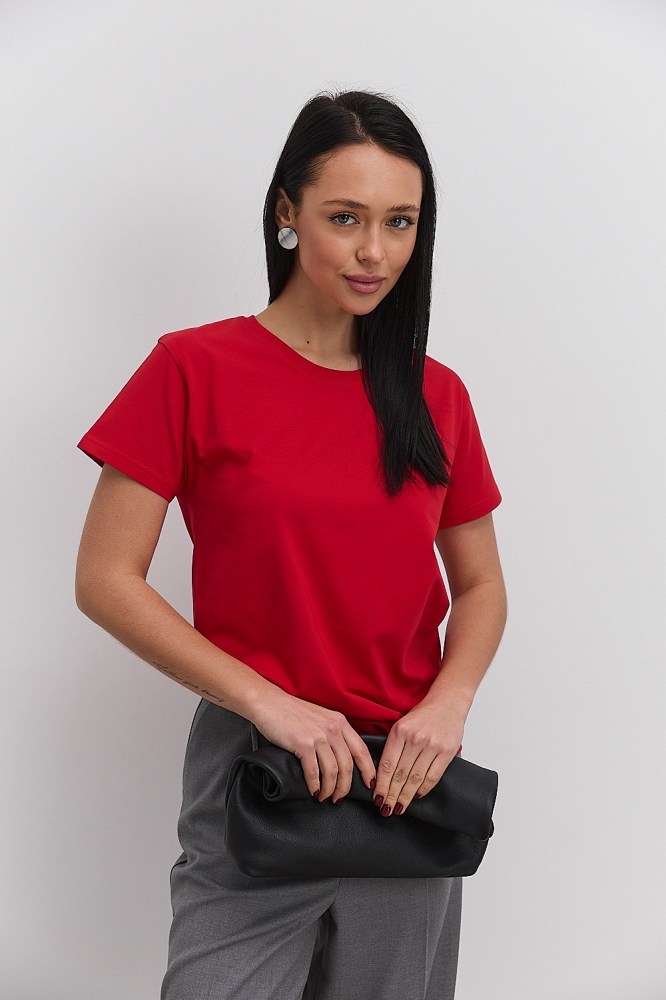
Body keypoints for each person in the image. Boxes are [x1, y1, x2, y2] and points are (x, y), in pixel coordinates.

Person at [75, 89, 507, 1000]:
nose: (374, 251)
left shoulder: (437, 395)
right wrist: (271, 705)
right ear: (287, 212)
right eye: (345, 218)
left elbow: (480, 587)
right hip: (255, 767)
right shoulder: (193, 369)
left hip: (403, 781)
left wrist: (448, 704)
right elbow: (106, 579)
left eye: (400, 222)